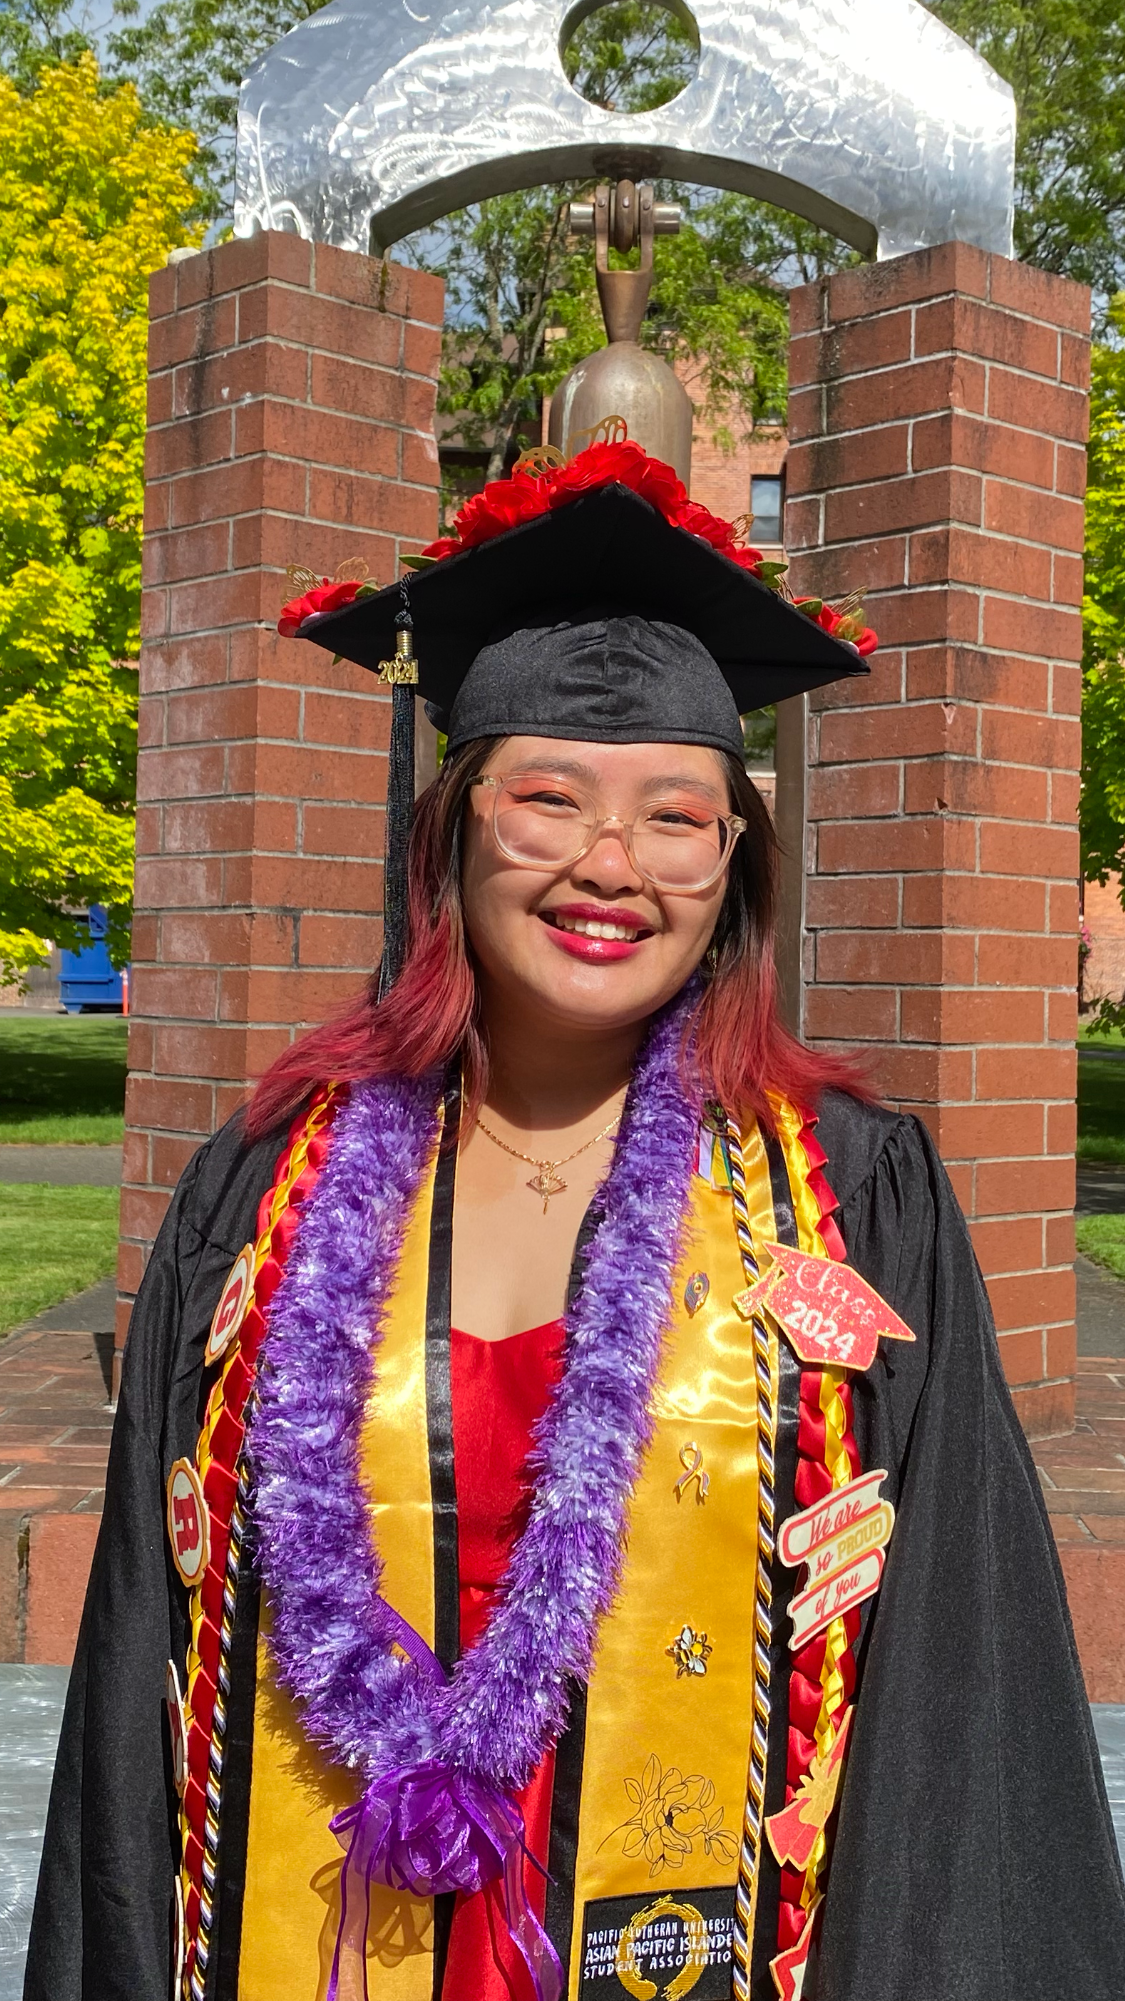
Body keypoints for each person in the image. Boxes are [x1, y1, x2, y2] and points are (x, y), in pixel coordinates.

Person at [26, 441, 1125, 2001]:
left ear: (732, 862)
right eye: (550, 799)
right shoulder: (262, 1191)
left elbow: (961, 1691)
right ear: (456, 828)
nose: (613, 867)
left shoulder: (850, 1196)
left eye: (678, 817)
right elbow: (151, 1662)